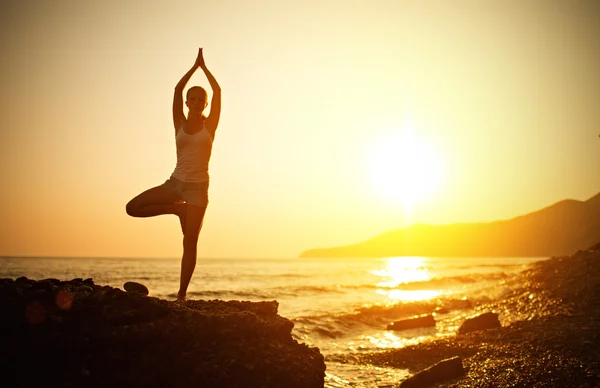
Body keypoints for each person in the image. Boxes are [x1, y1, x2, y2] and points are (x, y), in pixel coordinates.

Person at [126, 48, 221, 301]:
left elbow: (219, 92)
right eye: (194, 98)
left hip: (199, 189)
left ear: (205, 104)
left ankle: (181, 295)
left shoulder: (209, 125)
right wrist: (194, 67)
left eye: (202, 99)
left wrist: (206, 69)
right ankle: (176, 209)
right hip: (175, 184)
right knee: (132, 207)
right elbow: (177, 91)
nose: (197, 102)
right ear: (188, 102)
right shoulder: (179, 121)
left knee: (190, 242)